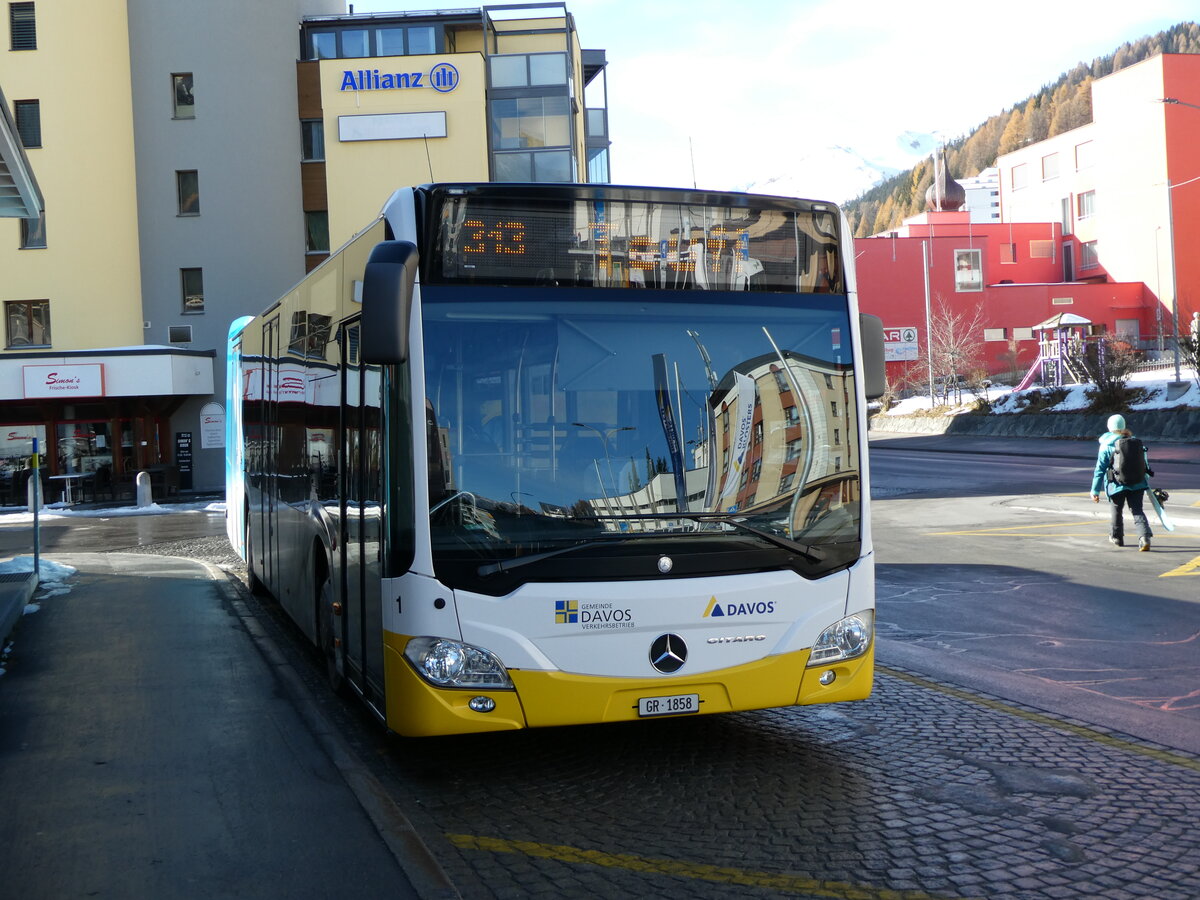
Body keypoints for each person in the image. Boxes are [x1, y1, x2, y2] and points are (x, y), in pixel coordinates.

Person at [1090, 413, 1153, 551]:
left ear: (1109, 427)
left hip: (1116, 484)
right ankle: (1144, 538)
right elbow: (1145, 464)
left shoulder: (1106, 445)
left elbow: (1100, 469)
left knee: (1116, 510)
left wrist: (1095, 490)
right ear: (1124, 426)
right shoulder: (1135, 442)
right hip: (1137, 483)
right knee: (1137, 510)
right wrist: (1145, 481)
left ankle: (1117, 537)